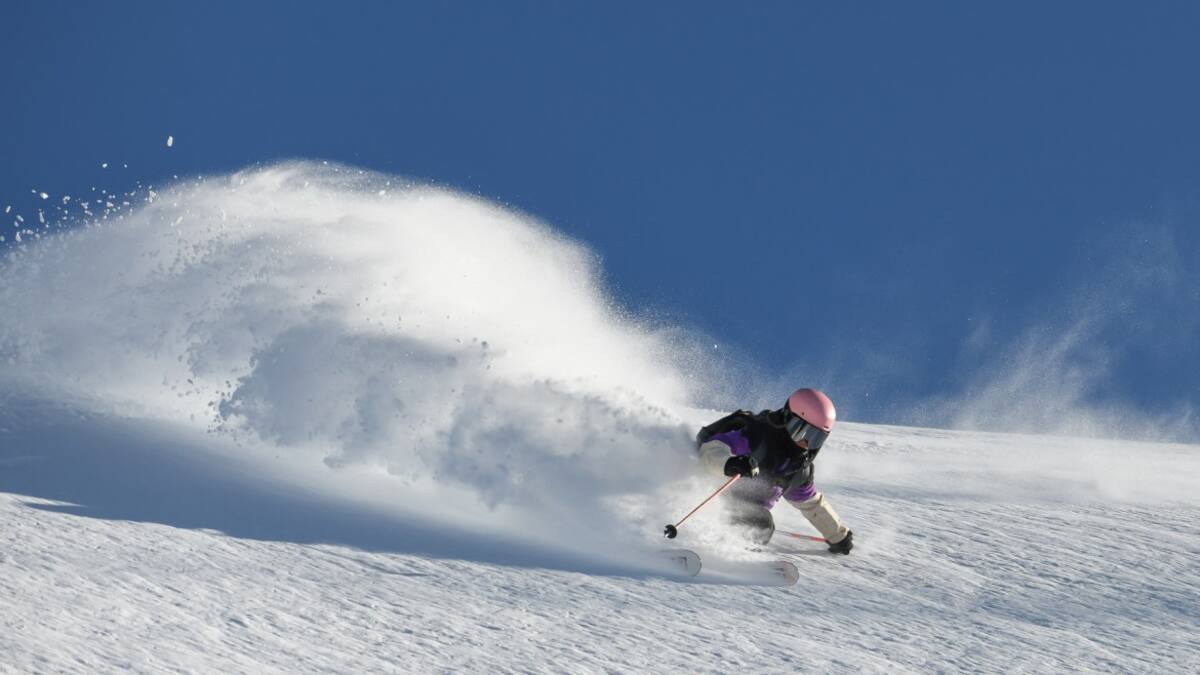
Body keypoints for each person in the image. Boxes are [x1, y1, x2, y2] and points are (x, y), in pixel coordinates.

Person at [695, 387, 854, 554]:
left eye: (816, 438)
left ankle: (734, 547)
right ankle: (725, 553)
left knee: (761, 523)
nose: (806, 442)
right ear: (787, 418)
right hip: (709, 497)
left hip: (746, 511)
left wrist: (838, 535)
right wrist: (729, 463)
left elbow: (812, 504)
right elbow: (711, 450)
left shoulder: (798, 469)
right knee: (762, 524)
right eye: (802, 431)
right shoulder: (756, 436)